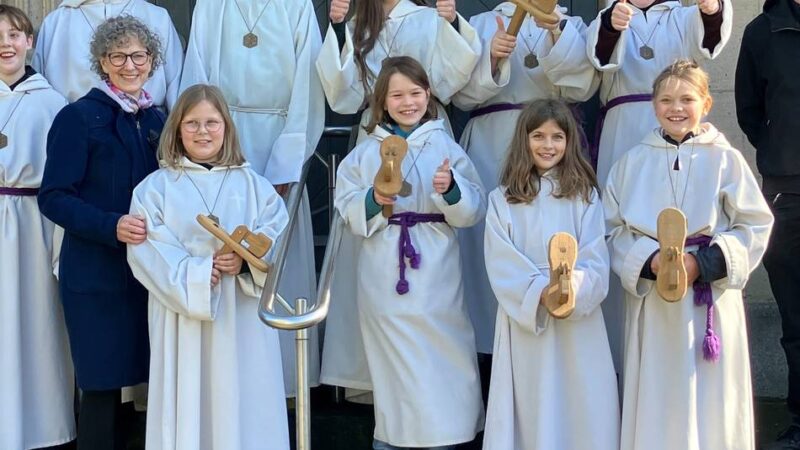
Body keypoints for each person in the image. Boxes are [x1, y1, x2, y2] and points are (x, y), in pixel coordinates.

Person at [604, 59, 774, 450]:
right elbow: (612, 228)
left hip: (708, 297)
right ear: (653, 105)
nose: (675, 108)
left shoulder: (725, 159)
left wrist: (705, 262)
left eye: (686, 99)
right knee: (660, 391)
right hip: (655, 301)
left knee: (710, 393)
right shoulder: (632, 162)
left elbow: (754, 224)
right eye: (665, 99)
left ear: (707, 103)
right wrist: (650, 261)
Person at [317, 0, 481, 400]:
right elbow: (342, 96)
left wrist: (451, 22)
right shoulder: (359, 21)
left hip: (427, 143)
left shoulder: (427, 18)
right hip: (376, 139)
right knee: (373, 265)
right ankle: (375, 387)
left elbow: (453, 75)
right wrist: (339, 28)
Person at [127, 84, 290, 450]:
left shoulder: (255, 187)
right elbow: (148, 251)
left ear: (227, 128)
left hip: (241, 316)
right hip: (182, 318)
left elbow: (275, 237)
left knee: (245, 400)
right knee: (190, 403)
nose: (203, 132)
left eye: (212, 123)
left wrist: (245, 262)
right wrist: (200, 272)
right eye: (193, 123)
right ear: (177, 129)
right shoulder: (155, 189)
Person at [334, 56, 484, 449]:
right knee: (396, 367)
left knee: (446, 358)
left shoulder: (445, 146)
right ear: (381, 101)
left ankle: (449, 439)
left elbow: (472, 209)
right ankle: (395, 441)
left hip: (437, 271)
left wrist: (450, 189)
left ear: (429, 94)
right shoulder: (366, 153)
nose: (407, 102)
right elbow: (347, 209)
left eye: (415, 93)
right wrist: (374, 198)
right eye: (396, 95)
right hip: (384, 273)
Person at [179, 0, 325, 397]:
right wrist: (202, 143)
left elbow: (309, 85)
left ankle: (286, 384)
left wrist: (286, 163)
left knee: (274, 255)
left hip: (279, 136)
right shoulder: (211, 6)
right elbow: (196, 78)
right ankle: (224, 380)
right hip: (220, 136)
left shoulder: (297, 6)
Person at [38, 16, 165, 448]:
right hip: (95, 274)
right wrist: (110, 225)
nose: (130, 65)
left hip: (149, 275)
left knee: (156, 387)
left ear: (152, 60)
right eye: (118, 56)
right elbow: (54, 196)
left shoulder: (158, 120)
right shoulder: (77, 117)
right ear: (102, 61)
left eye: (139, 55)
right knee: (101, 386)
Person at [584, 0, 731, 374]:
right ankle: (622, 362)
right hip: (623, 132)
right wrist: (612, 28)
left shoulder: (682, 15)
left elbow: (709, 42)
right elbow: (598, 61)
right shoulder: (609, 14)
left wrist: (710, 9)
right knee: (624, 228)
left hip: (680, 134)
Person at [451, 2, 598, 358]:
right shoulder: (481, 23)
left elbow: (583, 88)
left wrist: (556, 35)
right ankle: (489, 345)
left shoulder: (569, 22)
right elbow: (460, 94)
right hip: (491, 142)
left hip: (551, 142)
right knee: (492, 241)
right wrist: (492, 60)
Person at [482, 99, 618, 450]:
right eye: (538, 136)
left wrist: (570, 288)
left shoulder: (585, 197)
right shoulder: (503, 200)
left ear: (569, 142)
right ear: (523, 140)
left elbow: (595, 258)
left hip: (578, 319)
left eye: (557, 137)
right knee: (533, 401)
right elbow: (501, 260)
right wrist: (542, 292)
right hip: (527, 316)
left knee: (580, 400)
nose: (548, 145)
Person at [0, 5, 75, 449]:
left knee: (38, 326)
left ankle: (44, 430)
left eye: (14, 34)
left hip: (34, 223)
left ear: (30, 42)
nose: (6, 43)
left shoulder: (52, 102)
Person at [736, 1, 800, 447]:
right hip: (787, 191)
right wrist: (781, 154)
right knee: (796, 321)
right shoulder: (762, 31)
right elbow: (749, 111)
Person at [33, 0, 183, 109]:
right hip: (78, 128)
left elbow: (177, 88)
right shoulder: (56, 22)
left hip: (148, 130)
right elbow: (40, 93)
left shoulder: (157, 16)